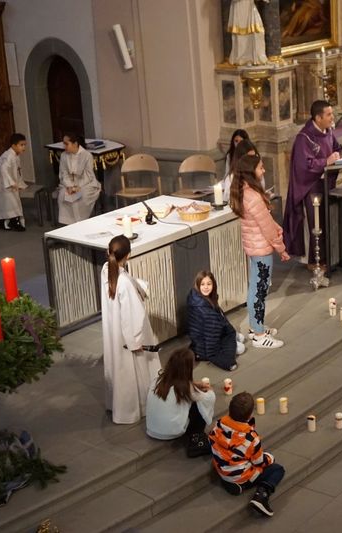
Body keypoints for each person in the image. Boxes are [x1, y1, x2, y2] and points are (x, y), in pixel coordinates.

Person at [230, 153, 289, 349]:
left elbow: (265, 221)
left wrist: (276, 229)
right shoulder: (253, 197)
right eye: (260, 167)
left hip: (254, 247)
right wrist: (281, 248)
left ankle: (256, 326)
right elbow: (268, 229)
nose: (263, 171)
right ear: (251, 171)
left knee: (256, 288)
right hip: (261, 249)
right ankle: (259, 335)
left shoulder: (245, 192)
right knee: (259, 290)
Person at [101, 235, 161, 424]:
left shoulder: (106, 270)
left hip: (114, 332)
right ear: (128, 255)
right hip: (128, 336)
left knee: (119, 369)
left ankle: (117, 406)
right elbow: (132, 315)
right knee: (134, 371)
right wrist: (135, 341)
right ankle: (134, 409)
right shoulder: (124, 282)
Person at [282, 100, 341, 268]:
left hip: (326, 183)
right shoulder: (304, 138)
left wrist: (339, 156)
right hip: (311, 187)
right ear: (318, 117)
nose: (332, 117)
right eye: (329, 114)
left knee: (326, 220)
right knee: (316, 223)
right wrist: (326, 161)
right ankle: (314, 261)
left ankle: (329, 256)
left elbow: (337, 148)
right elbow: (304, 166)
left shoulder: (328, 131)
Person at [209, 391, 285, 517]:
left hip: (222, 468)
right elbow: (259, 462)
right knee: (277, 470)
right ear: (250, 414)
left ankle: (229, 481)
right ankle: (261, 496)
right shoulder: (250, 438)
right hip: (240, 475)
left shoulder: (218, 425)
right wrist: (270, 458)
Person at [146, 347, 216, 457]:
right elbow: (208, 398)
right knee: (200, 405)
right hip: (171, 432)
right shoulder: (184, 388)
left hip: (152, 429)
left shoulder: (158, 379)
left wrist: (194, 385)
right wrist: (210, 390)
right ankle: (196, 437)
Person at [187, 271, 243, 371]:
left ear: (213, 285)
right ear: (198, 285)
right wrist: (227, 362)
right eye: (202, 284)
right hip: (203, 345)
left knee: (239, 337)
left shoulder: (197, 298)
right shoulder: (204, 310)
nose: (206, 287)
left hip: (202, 338)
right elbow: (211, 343)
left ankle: (231, 340)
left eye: (209, 284)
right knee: (241, 347)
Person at [57, 132, 101, 225]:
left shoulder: (87, 155)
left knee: (82, 196)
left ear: (75, 144)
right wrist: (69, 186)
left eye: (66, 144)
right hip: (68, 184)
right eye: (63, 143)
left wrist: (78, 187)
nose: (64, 146)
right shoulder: (64, 156)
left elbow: (89, 175)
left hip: (86, 183)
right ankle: (68, 224)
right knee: (62, 195)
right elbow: (63, 173)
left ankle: (81, 222)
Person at [0, 133, 28, 231]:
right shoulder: (9, 155)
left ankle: (3, 221)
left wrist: (18, 183)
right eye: (21, 145)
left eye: (24, 145)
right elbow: (4, 169)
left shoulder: (15, 155)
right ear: (13, 145)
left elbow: (16, 171)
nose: (24, 147)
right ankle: (14, 221)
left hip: (2, 179)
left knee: (7, 198)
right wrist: (11, 183)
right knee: (11, 198)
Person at [227, 0, 268, 66]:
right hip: (239, 6)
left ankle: (257, 57)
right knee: (241, 33)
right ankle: (243, 59)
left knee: (257, 32)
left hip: (250, 6)